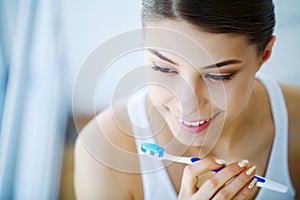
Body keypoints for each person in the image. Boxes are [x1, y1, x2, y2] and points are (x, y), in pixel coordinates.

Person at [74, 0, 300, 199]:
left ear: (264, 54)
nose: (187, 104)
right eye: (164, 68)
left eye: (218, 76)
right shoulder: (104, 151)